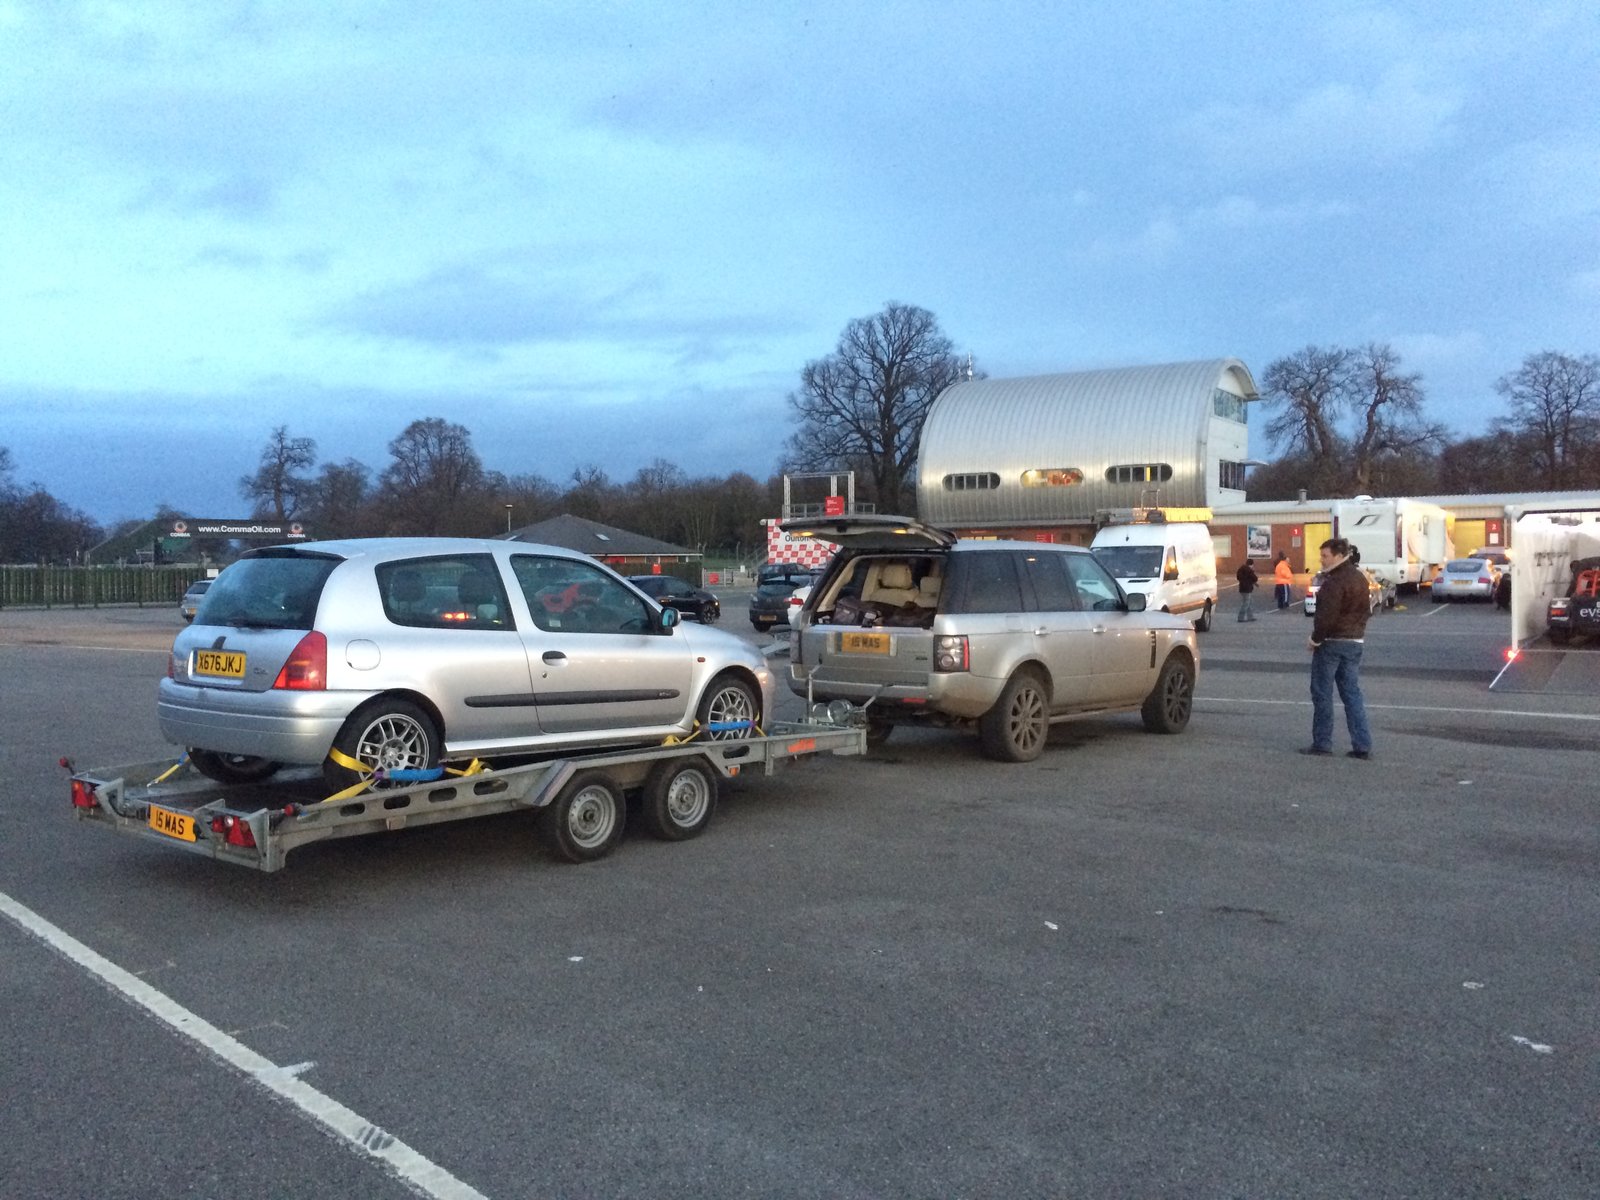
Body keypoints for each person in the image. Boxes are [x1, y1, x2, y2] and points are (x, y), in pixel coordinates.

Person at [1302, 536, 1373, 760]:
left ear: (1339, 556)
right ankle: (1362, 744)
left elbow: (1326, 618)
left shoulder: (1334, 582)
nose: (1321, 560)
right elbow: (1366, 610)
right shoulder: (1360, 578)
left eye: (1325, 556)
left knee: (1322, 693)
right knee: (1352, 693)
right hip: (1355, 641)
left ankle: (1322, 743)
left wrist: (1315, 639)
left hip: (1332, 643)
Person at [1235, 558, 1258, 622]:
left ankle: (1250, 616)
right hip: (1247, 589)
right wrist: (1252, 571)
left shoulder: (1241, 569)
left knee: (1248, 602)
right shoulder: (1249, 570)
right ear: (1251, 564)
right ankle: (1241, 617)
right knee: (1246, 603)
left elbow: (1238, 577)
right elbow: (1255, 578)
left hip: (1242, 588)